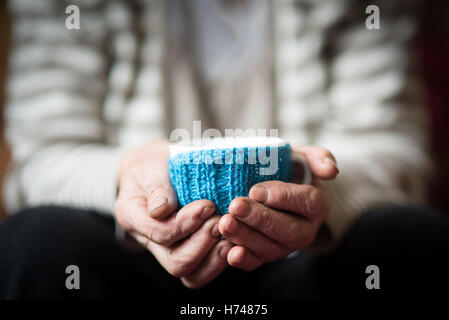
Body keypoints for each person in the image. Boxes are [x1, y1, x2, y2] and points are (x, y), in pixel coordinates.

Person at [1, 0, 449, 299]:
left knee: (412, 238)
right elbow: (41, 155)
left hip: (310, 262)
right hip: (133, 258)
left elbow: (395, 148)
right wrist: (126, 176)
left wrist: (315, 192)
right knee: (34, 243)